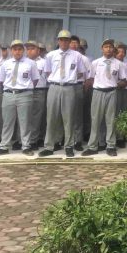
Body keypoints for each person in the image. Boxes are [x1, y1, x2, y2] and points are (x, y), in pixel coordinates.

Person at [39, 30, 87, 158]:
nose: (64, 42)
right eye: (62, 39)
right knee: (51, 118)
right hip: (54, 87)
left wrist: (68, 79)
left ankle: (69, 146)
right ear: (58, 41)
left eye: (67, 40)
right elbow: (48, 72)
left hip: (69, 88)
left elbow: (81, 72)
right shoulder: (51, 55)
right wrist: (57, 80)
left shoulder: (77, 55)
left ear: (70, 41)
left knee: (69, 118)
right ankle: (49, 146)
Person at [0, 40, 39, 156]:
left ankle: (26, 146)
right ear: (11, 50)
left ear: (23, 50)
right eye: (15, 49)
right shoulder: (6, 64)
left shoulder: (31, 63)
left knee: (25, 121)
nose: (17, 51)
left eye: (19, 49)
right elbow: (2, 80)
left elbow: (35, 79)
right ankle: (4, 146)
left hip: (25, 94)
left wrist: (25, 89)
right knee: (7, 122)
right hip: (8, 94)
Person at [82, 39, 126, 157]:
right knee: (95, 120)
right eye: (106, 47)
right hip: (98, 92)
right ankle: (92, 146)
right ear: (102, 49)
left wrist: (117, 84)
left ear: (114, 49)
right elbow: (90, 79)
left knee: (111, 120)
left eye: (111, 47)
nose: (108, 49)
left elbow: (124, 81)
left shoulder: (119, 64)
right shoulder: (95, 63)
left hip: (112, 92)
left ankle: (111, 146)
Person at [25, 41, 47, 150]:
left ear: (38, 51)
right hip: (25, 91)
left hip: (39, 91)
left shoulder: (44, 62)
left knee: (37, 117)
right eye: (28, 49)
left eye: (32, 48)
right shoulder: (23, 62)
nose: (30, 51)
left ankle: (34, 140)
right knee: (25, 117)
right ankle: (23, 140)